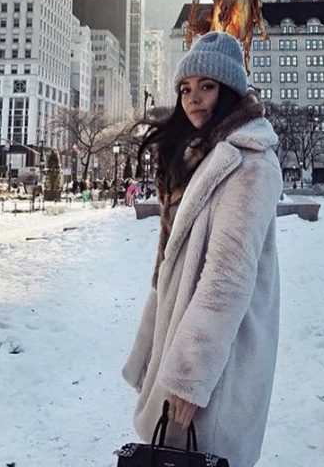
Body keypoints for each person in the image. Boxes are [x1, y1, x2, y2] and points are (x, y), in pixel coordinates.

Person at [123, 31, 282, 467]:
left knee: (201, 454)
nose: (193, 99)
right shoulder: (203, 155)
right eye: (185, 89)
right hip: (188, 338)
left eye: (206, 87)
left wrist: (190, 379)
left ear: (229, 91)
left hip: (215, 358)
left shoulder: (249, 162)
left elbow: (228, 276)